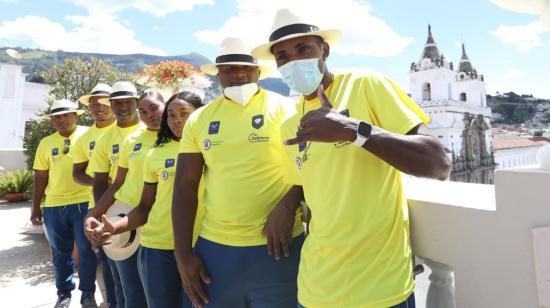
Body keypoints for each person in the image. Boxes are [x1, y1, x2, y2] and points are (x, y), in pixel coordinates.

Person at [251, 8, 452, 308]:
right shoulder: (288, 124)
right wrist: (286, 204)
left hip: (382, 289)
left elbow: (438, 164)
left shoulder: (365, 83)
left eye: (303, 49)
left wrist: (353, 130)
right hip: (315, 289)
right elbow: (308, 187)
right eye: (282, 56)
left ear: (325, 50)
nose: (293, 61)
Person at [172, 37, 305, 308]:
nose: (238, 74)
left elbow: (313, 167)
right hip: (217, 251)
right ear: (218, 74)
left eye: (245, 67)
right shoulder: (199, 119)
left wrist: (289, 205)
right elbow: (185, 186)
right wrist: (183, 254)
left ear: (258, 72)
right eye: (229, 68)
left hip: (280, 248)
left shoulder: (288, 109)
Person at [90, 90, 204, 308]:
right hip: (156, 249)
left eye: (184, 113)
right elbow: (144, 207)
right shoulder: (155, 154)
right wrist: (113, 227)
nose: (177, 120)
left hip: (200, 246)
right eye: (171, 114)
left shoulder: (210, 150)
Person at [86, 88, 165, 308]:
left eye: (154, 108)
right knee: (131, 290)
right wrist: (94, 215)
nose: (149, 114)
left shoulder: (182, 135)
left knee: (159, 293)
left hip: (162, 224)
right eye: (143, 111)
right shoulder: (131, 140)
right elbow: (117, 183)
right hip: (126, 222)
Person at [30, 99, 98, 308]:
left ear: (76, 115)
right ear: (52, 121)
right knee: (61, 253)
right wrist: (35, 208)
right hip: (54, 206)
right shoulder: (45, 143)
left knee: (86, 250)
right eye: (56, 117)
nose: (61, 120)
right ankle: (64, 294)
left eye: (66, 115)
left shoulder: (89, 135)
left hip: (84, 202)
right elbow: (41, 177)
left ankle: (87, 294)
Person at [85, 81, 143, 308]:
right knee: (123, 282)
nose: (122, 107)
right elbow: (100, 182)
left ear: (136, 102)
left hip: (154, 214)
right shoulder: (105, 140)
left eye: (128, 101)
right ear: (110, 105)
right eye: (117, 102)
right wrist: (101, 214)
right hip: (119, 218)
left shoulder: (151, 129)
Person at [72, 83, 118, 308]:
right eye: (93, 103)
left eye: (104, 101)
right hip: (100, 206)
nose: (99, 107)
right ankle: (112, 302)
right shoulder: (85, 137)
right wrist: (99, 182)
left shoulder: (131, 127)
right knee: (107, 260)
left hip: (132, 205)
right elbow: (77, 173)